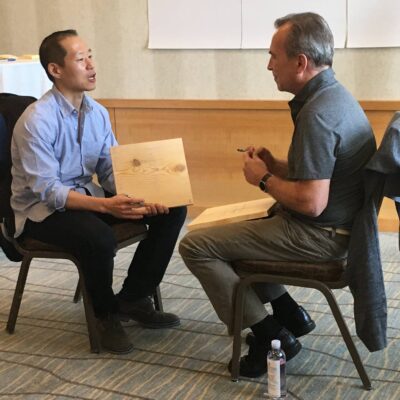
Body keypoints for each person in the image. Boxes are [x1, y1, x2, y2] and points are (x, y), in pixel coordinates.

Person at [179, 12, 376, 378]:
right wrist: (280, 166)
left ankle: (272, 336)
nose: (268, 65)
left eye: (273, 56)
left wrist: (264, 178)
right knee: (234, 236)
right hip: (341, 228)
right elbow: (323, 174)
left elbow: (311, 202)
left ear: (300, 62)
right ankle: (289, 314)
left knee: (197, 246)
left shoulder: (318, 115)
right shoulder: (335, 97)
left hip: (321, 237)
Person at [11, 30, 187, 354]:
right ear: (56, 70)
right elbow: (49, 191)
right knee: (98, 237)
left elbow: (109, 170)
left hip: (83, 199)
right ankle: (104, 314)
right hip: (42, 213)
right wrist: (107, 208)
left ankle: (134, 298)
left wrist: (143, 195)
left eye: (90, 55)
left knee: (172, 209)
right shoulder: (37, 120)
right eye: (81, 59)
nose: (92, 65)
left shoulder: (98, 113)